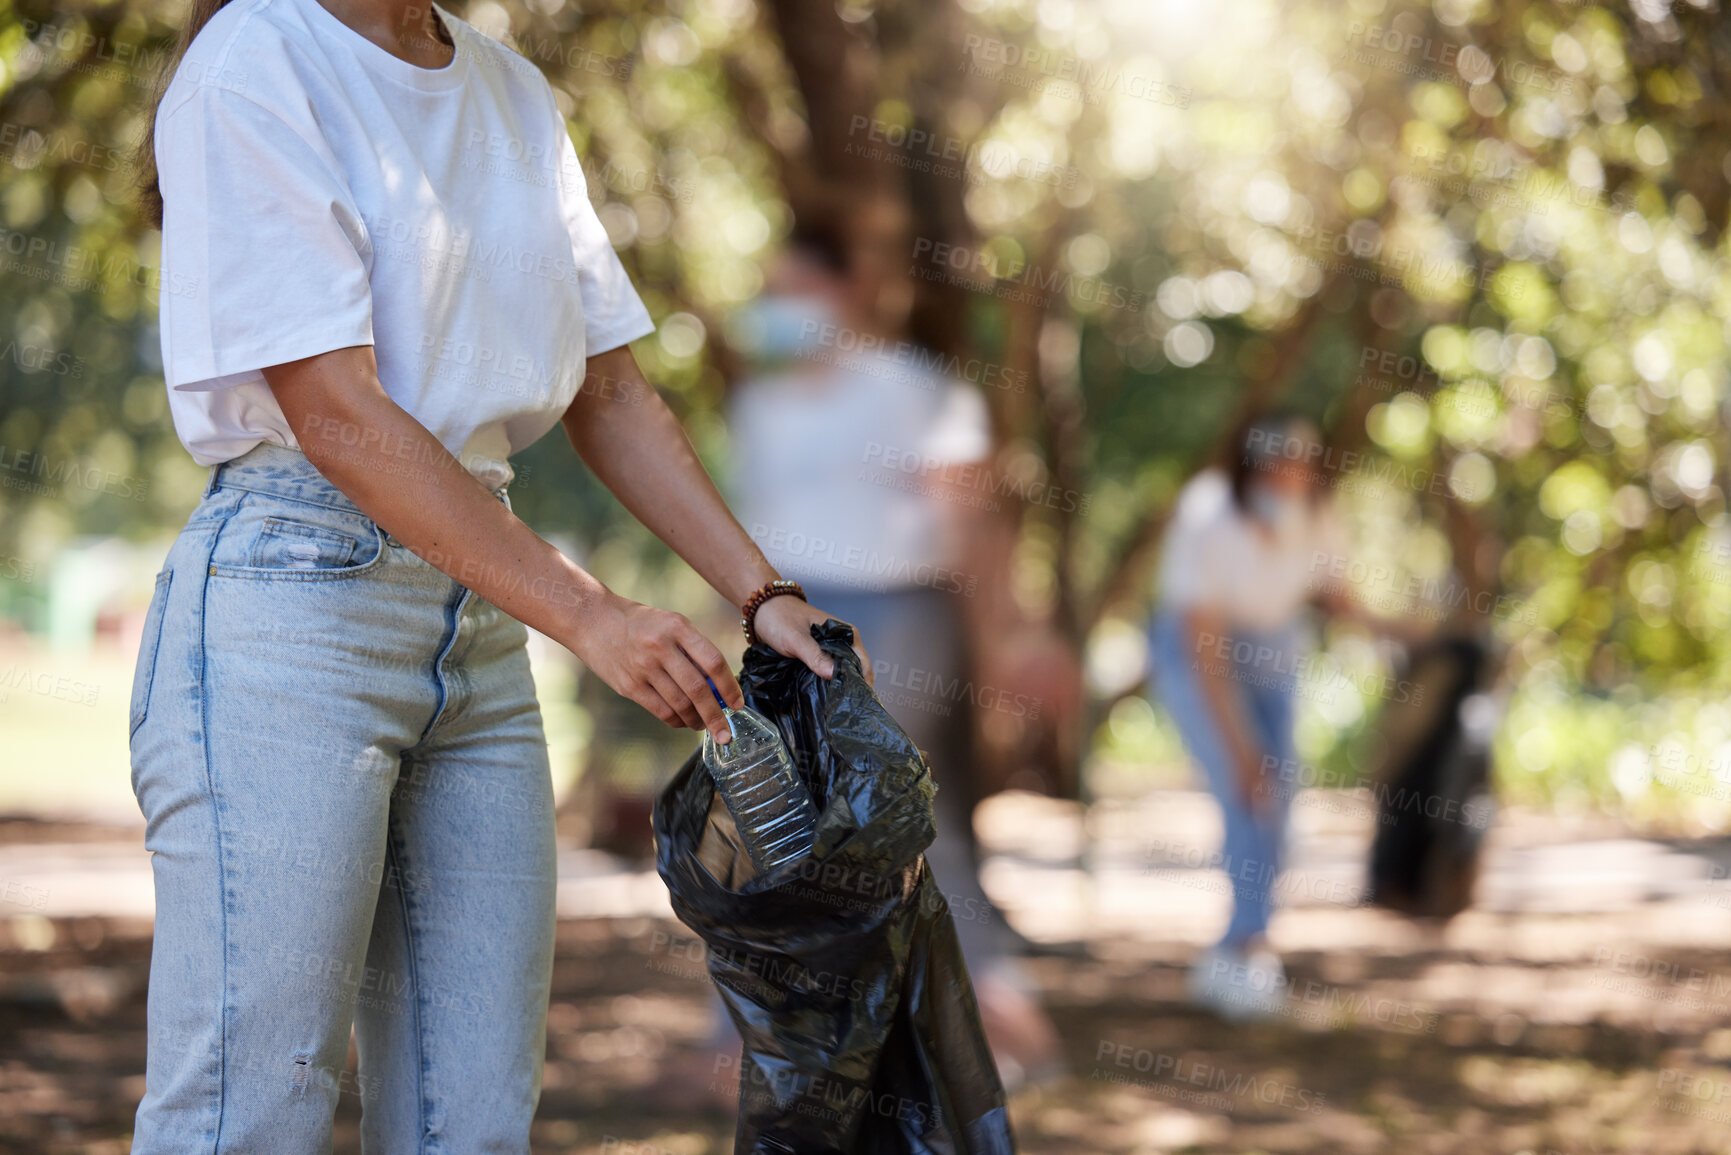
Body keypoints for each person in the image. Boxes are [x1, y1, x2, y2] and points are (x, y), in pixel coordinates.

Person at [127, 0, 861, 1149]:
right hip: (292, 607)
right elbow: (338, 413)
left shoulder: (512, 92)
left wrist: (762, 595)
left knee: (468, 1122)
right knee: (251, 1110)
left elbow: (608, 391)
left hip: (478, 619)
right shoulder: (256, 62)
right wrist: (591, 615)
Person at [722, 225, 1062, 1087]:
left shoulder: (916, 391)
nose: (781, 310)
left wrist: (1002, 643)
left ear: (851, 290)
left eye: (796, 288)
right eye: (772, 290)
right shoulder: (758, 404)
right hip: (779, 619)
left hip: (899, 613)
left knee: (899, 808)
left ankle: (995, 1008)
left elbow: (971, 529)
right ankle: (768, 1032)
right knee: (773, 816)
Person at [1147, 413, 1396, 1021]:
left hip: (1274, 650)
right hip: (1199, 655)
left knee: (1279, 795)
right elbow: (1203, 646)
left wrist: (1410, 633)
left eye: (1302, 457)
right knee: (1246, 788)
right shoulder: (1207, 515)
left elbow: (1338, 600)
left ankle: (1243, 950)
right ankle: (1244, 949)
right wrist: (1238, 748)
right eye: (1277, 456)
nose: (1290, 469)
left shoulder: (1315, 517)